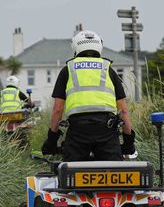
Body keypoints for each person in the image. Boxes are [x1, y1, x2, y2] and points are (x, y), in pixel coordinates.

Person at [41, 30, 135, 161]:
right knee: (114, 175)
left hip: (78, 132)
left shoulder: (68, 69)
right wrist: (128, 141)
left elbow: (57, 110)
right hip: (106, 131)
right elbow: (123, 110)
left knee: (70, 176)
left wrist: (51, 140)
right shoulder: (108, 69)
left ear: (76, 48)